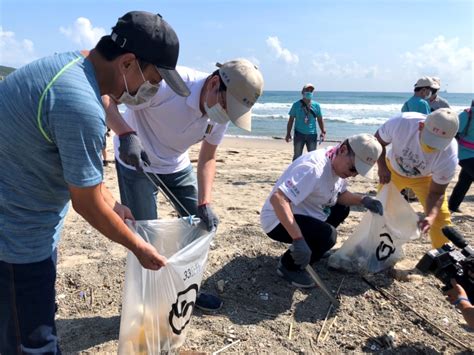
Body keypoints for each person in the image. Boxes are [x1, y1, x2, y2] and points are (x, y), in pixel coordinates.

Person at [0, 11, 190, 353]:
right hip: (17, 239)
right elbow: (86, 203)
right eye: (154, 79)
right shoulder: (81, 107)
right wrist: (137, 246)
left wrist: (115, 205)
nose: (154, 89)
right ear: (128, 63)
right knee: (31, 343)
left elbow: (76, 171)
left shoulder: (71, 69)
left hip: (25, 216)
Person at [104, 58, 264, 310]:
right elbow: (108, 95)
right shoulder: (168, 84)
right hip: (136, 162)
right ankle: (150, 300)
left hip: (176, 165)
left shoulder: (220, 116)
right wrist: (124, 134)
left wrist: (205, 201)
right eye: (226, 106)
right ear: (214, 83)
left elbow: (208, 157)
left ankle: (188, 288)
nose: (226, 115)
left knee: (200, 227)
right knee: (147, 235)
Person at [260, 134, 383, 288]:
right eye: (353, 168)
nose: (352, 174)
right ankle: (288, 266)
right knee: (328, 236)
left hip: (305, 212)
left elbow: (340, 195)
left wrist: (364, 200)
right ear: (343, 150)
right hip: (277, 220)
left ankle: (313, 248)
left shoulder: (337, 162)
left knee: (342, 209)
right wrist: (298, 240)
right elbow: (278, 199)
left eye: (357, 172)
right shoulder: (313, 168)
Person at [374, 108, 459, 248]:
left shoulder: (449, 156)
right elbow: (377, 142)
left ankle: (443, 253)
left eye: (437, 144)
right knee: (381, 209)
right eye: (429, 140)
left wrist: (430, 217)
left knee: (440, 217)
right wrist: (382, 167)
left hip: (424, 178)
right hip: (392, 170)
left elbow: (436, 193)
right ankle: (376, 244)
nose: (431, 147)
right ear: (421, 126)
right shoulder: (401, 123)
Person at [285, 83, 326, 161]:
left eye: (311, 90)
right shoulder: (296, 105)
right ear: (302, 92)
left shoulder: (316, 105)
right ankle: (295, 172)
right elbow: (291, 120)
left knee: (312, 157)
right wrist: (288, 133)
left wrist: (323, 131)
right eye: (307, 90)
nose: (309, 92)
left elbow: (320, 119)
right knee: (297, 156)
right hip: (299, 134)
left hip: (312, 135)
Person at [448, 100, 474, 212]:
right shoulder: (466, 115)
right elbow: (452, 132)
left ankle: (453, 206)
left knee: (465, 180)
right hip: (464, 153)